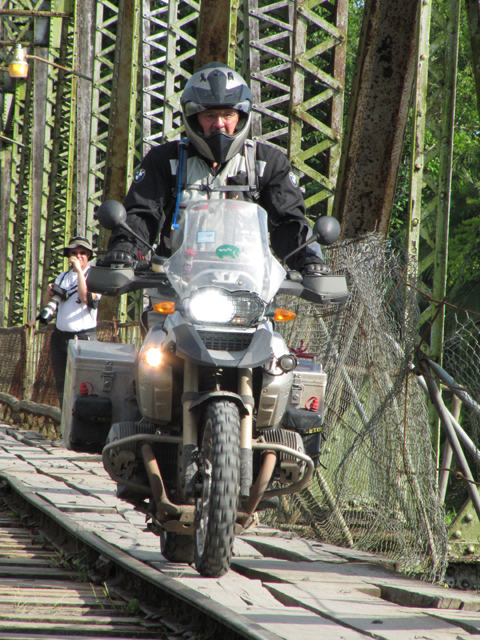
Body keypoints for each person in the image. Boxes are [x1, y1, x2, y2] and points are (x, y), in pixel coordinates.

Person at [44, 237, 101, 408]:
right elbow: (47, 303)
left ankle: (80, 424)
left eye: (83, 253)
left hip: (83, 338)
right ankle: (64, 423)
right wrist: (49, 292)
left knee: (85, 383)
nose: (79, 256)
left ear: (89, 256)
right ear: (68, 255)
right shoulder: (63, 277)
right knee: (61, 383)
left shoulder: (95, 277)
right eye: (74, 253)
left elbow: (84, 297)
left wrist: (79, 272)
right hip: (60, 337)